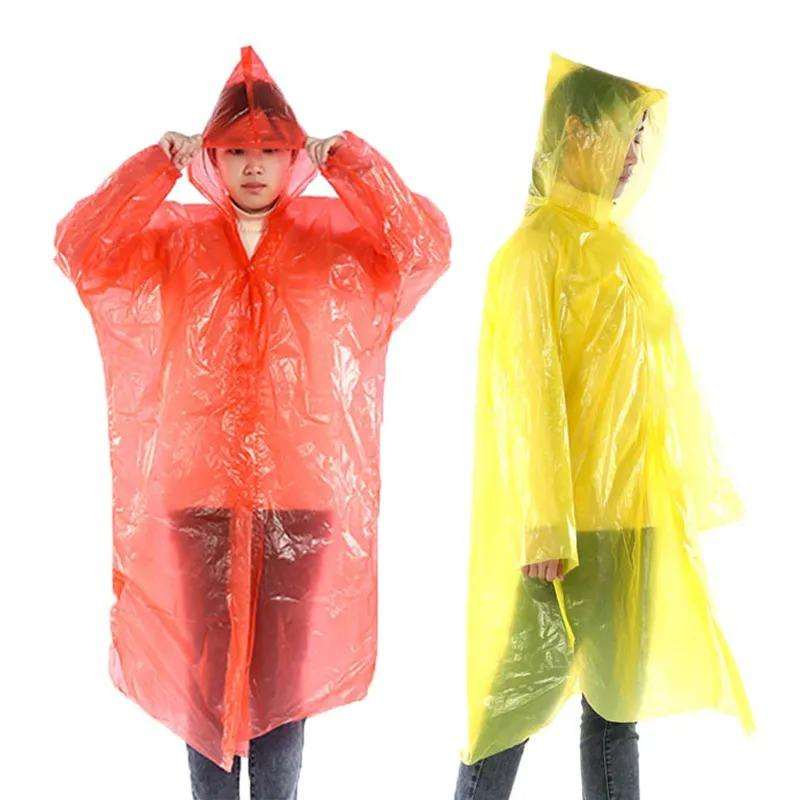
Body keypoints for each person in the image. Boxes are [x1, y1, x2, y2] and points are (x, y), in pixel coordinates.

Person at [54, 44, 450, 800]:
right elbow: (81, 249)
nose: (254, 166)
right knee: (206, 687)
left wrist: (355, 167)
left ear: (294, 156)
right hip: (198, 500)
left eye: (270, 150)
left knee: (281, 689)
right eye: (236, 151)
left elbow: (423, 247)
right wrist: (151, 169)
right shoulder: (176, 240)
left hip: (298, 500)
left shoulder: (332, 239)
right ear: (212, 158)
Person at [457, 53, 753, 800]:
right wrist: (544, 524)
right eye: (627, 133)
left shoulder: (623, 254)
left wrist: (678, 491)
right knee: (512, 706)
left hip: (632, 521)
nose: (633, 156)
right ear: (578, 133)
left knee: (616, 713)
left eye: (641, 138)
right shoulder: (533, 253)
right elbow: (527, 392)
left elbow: (657, 387)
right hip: (565, 531)